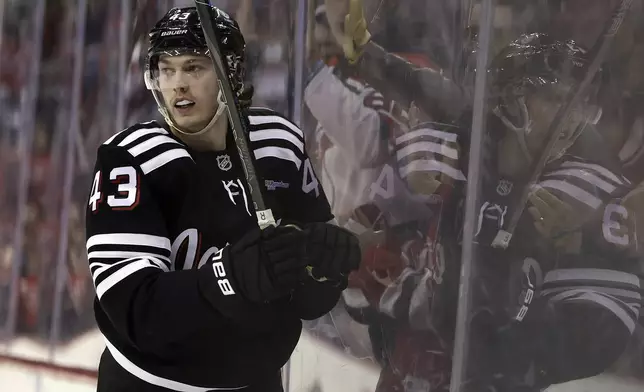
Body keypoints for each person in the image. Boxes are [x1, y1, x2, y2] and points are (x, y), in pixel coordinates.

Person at [85, 6, 360, 392]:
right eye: (167, 69)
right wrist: (226, 278)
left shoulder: (279, 143)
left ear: (230, 73)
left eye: (194, 67)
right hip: (152, 385)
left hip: (257, 383)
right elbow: (133, 309)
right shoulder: (130, 160)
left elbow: (303, 298)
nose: (178, 83)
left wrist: (322, 271)